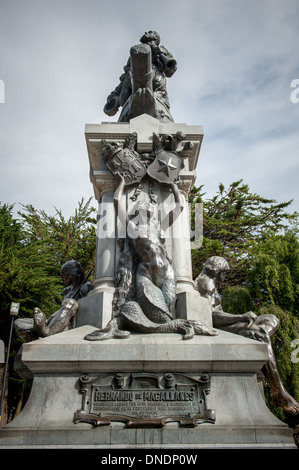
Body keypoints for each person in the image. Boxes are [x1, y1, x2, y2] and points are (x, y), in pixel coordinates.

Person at [194, 256, 299, 414]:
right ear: (217, 270)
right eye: (224, 272)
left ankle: (258, 340)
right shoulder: (205, 283)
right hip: (218, 328)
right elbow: (210, 317)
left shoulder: (210, 283)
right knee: (260, 333)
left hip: (227, 325)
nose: (225, 277)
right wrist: (241, 317)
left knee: (271, 319)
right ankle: (278, 391)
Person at [14, 260, 94, 341]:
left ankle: (46, 332)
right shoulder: (68, 290)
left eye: (65, 276)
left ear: (72, 273)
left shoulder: (86, 287)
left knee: (71, 303)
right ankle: (38, 331)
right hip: (53, 320)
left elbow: (86, 311)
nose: (63, 279)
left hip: (68, 324)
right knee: (18, 322)